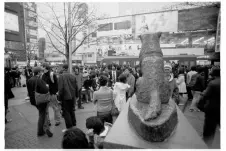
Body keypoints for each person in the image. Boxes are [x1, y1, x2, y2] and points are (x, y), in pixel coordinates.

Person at [27, 67, 53, 137]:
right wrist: (47, 86)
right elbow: (45, 89)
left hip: (34, 100)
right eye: (41, 72)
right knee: (43, 114)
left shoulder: (29, 80)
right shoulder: (39, 80)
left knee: (41, 113)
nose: (42, 73)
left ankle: (43, 128)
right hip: (41, 100)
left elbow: (29, 92)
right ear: (38, 73)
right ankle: (41, 130)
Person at [201, 68, 220, 147]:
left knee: (209, 129)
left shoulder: (213, 83)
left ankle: (207, 145)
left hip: (212, 109)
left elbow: (205, 95)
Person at [58, 64, 78, 130]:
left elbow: (61, 89)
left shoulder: (61, 76)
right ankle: (74, 124)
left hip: (65, 97)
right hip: (72, 96)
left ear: (63, 68)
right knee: (72, 110)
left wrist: (59, 98)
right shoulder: (72, 76)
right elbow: (76, 87)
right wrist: (77, 96)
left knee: (66, 112)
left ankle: (69, 127)